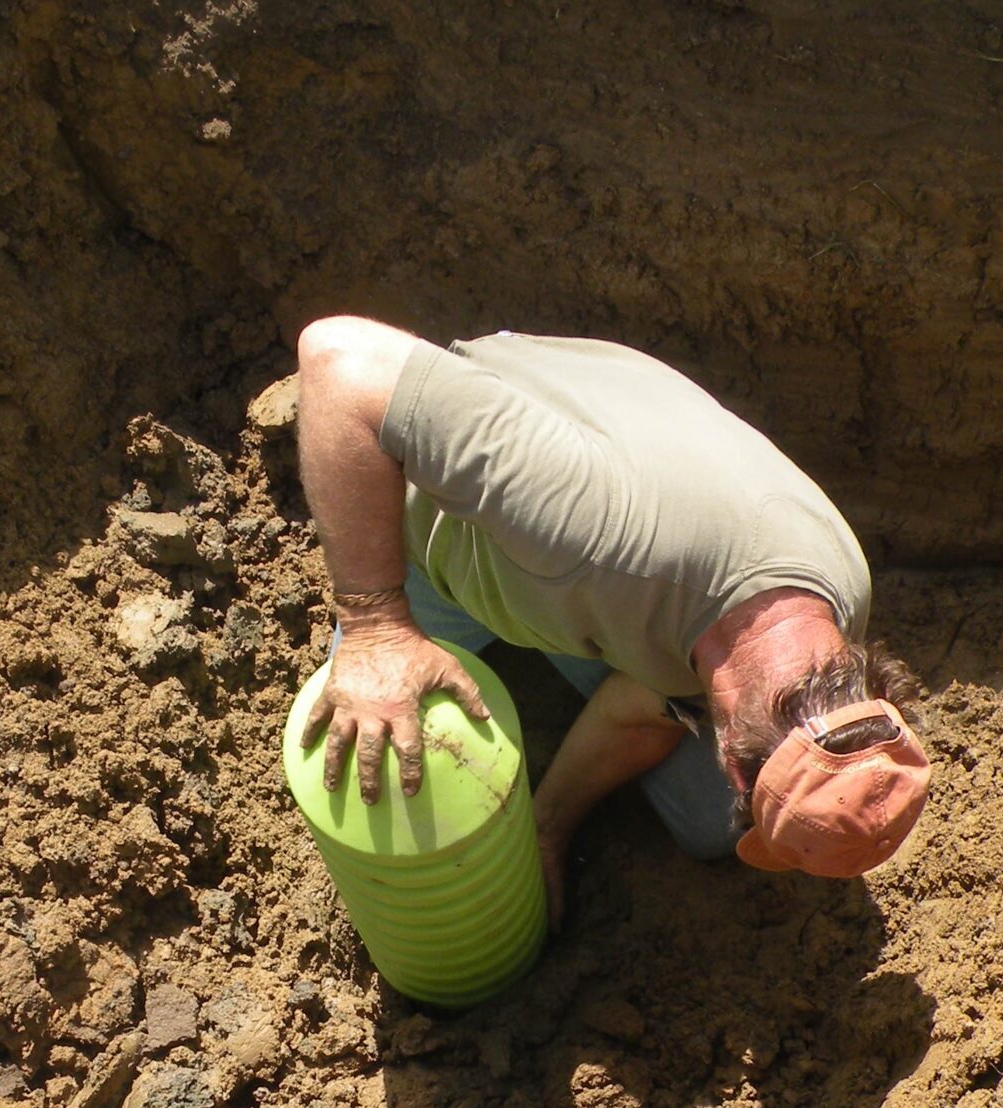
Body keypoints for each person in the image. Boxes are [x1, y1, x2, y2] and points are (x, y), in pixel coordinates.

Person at [293, 317, 930, 919]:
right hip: (452, 543)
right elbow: (338, 359)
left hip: (587, 580)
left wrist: (546, 828)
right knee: (368, 766)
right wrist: (376, 623)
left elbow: (654, 701)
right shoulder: (582, 520)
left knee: (711, 821)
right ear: (733, 758)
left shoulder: (837, 598)